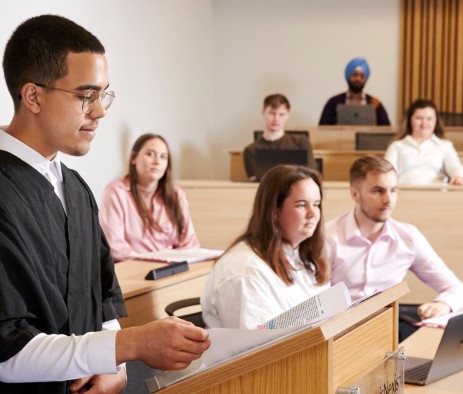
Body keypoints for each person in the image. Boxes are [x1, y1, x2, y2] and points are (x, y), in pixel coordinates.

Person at [0, 15, 209, 394]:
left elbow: (102, 299)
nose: (100, 111)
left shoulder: (75, 190)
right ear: (34, 96)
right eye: (85, 95)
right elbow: (2, 353)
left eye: (104, 95)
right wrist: (132, 344)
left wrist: (115, 367)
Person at [325, 155, 463, 331]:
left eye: (393, 190)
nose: (388, 200)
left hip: (386, 334)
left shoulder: (408, 237)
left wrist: (443, 304)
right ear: (355, 194)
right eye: (378, 191)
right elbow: (312, 304)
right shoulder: (327, 237)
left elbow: (457, 288)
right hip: (337, 334)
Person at [201, 165, 330, 329]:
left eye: (316, 204)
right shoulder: (244, 270)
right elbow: (257, 347)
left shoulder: (304, 256)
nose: (313, 214)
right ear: (274, 211)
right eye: (301, 205)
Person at [100, 133, 200, 261]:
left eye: (163, 157)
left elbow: (190, 243)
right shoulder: (116, 191)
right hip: (133, 270)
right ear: (133, 158)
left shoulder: (176, 193)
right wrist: (154, 261)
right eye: (150, 154)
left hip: (172, 269)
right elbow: (114, 247)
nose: (157, 161)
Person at [385, 99, 463, 185]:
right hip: (404, 194)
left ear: (436, 121)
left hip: (438, 195)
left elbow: (457, 170)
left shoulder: (445, 146)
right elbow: (386, 175)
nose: (424, 123)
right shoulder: (396, 146)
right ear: (410, 120)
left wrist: (459, 177)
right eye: (419, 118)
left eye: (429, 119)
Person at [243, 94, 315, 181]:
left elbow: (310, 174)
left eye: (281, 114)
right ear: (263, 112)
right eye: (272, 113)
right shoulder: (251, 150)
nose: (276, 119)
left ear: (288, 115)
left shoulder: (300, 142)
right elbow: (256, 182)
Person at [318, 57, 391, 126]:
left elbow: (386, 131)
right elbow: (322, 129)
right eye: (354, 75)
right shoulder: (333, 103)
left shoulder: (375, 103)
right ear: (348, 76)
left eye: (362, 76)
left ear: (366, 79)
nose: (358, 79)